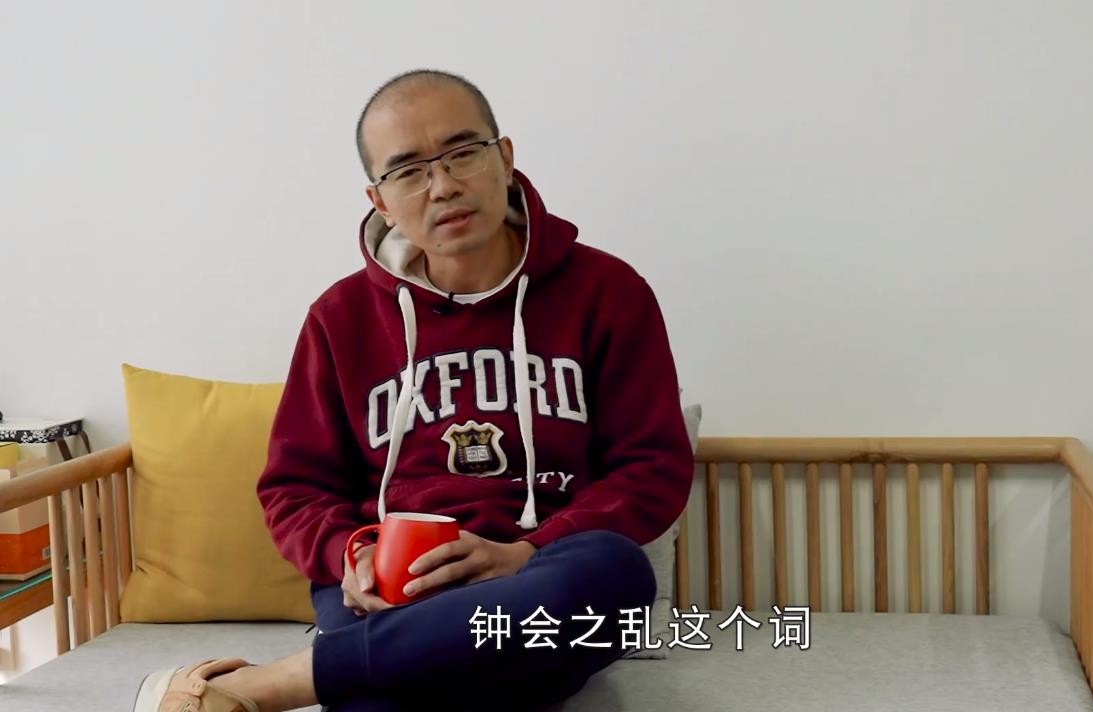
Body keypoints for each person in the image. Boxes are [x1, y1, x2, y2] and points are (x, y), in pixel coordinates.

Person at [132, 69, 693, 712]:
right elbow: (294, 488)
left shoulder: (609, 293)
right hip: (393, 585)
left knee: (616, 572)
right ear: (379, 200)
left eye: (463, 152)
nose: (443, 185)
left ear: (505, 158)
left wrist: (525, 553)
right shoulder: (340, 319)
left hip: (539, 577)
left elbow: (651, 468)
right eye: (408, 171)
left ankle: (270, 684)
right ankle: (388, 662)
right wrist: (352, 553)